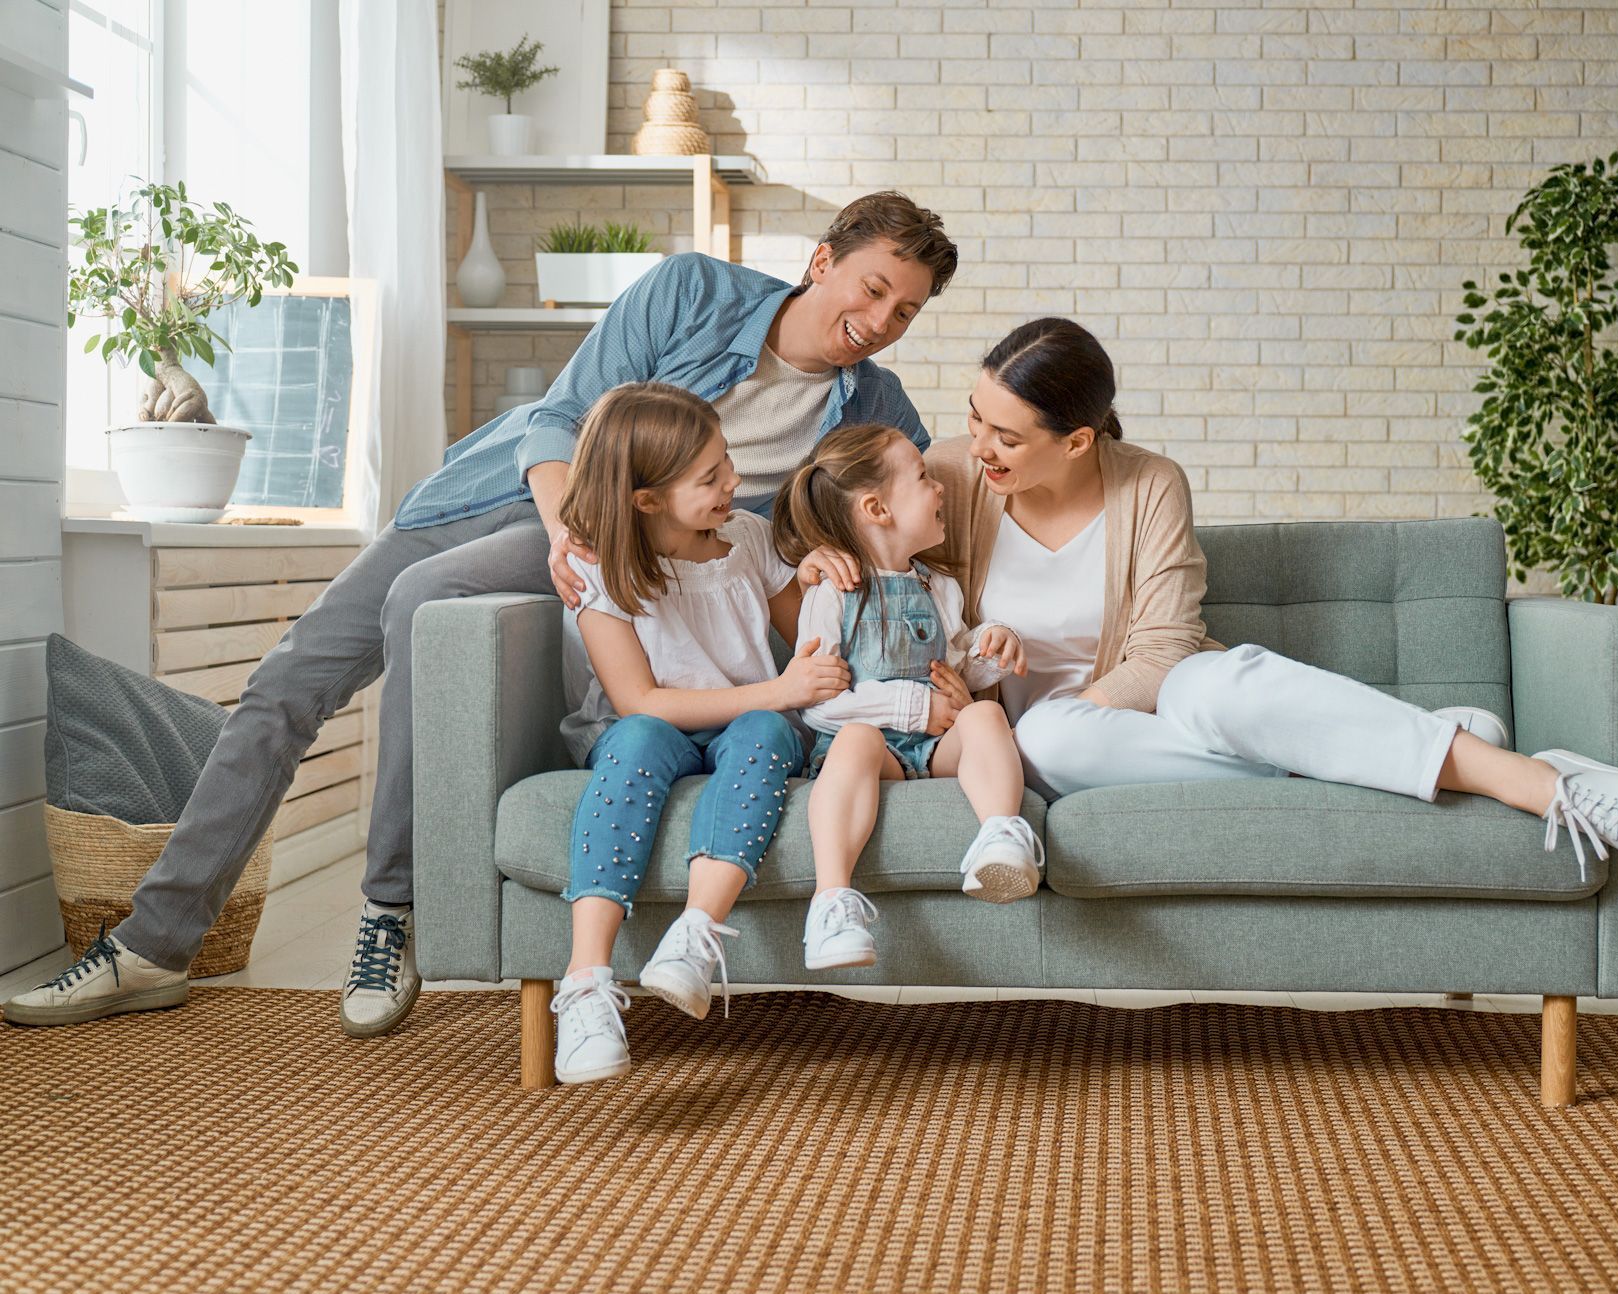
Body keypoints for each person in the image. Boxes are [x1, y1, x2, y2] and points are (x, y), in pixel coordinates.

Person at [5, 192, 959, 1035]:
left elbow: (911, 507)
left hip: (662, 552)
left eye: (904, 311)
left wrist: (888, 590)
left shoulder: (871, 405)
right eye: (871, 288)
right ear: (822, 261)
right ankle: (152, 944)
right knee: (293, 678)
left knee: (425, 605)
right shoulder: (692, 292)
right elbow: (561, 418)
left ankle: (391, 911)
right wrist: (573, 536)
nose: (878, 320)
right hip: (526, 501)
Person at [810, 317, 1618, 877]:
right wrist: (818, 562)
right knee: (1044, 731)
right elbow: (854, 519)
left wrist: (1090, 699)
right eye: (973, 419)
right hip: (1040, 745)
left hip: (1151, 709)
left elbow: (1163, 649)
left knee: (1217, 682)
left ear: (1077, 440)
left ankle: (1548, 783)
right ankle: (1421, 750)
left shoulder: (1150, 483)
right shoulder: (956, 480)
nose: (976, 445)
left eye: (1005, 434)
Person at [546, 384, 849, 1084]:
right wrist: (779, 689)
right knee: (640, 739)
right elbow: (639, 699)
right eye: (710, 478)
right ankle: (586, 982)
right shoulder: (599, 573)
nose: (733, 483)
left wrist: (816, 579)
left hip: (744, 724)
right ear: (646, 499)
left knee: (768, 731)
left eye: (727, 464)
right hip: (650, 728)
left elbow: (809, 636)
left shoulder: (744, 539)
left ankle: (693, 936)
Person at [768, 423, 1040, 973]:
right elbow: (818, 704)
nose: (939, 488)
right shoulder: (831, 595)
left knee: (986, 714)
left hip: (934, 749)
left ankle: (1000, 836)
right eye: (923, 479)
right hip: (873, 755)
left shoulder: (938, 587)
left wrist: (994, 649)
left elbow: (956, 666)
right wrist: (913, 709)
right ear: (877, 507)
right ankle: (832, 903)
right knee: (857, 739)